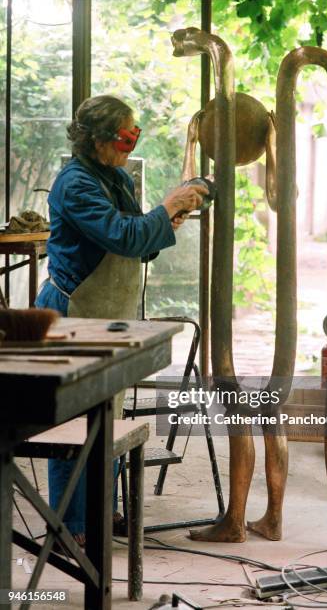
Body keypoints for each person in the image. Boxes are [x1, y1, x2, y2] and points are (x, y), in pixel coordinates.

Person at [35, 94, 207, 547]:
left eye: (135, 136)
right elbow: (123, 236)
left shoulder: (116, 177)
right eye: (124, 137)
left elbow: (141, 242)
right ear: (97, 140)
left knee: (106, 417)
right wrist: (165, 207)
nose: (130, 145)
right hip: (75, 312)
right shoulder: (75, 184)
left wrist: (169, 217)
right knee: (74, 424)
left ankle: (98, 512)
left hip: (109, 315)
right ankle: (72, 528)